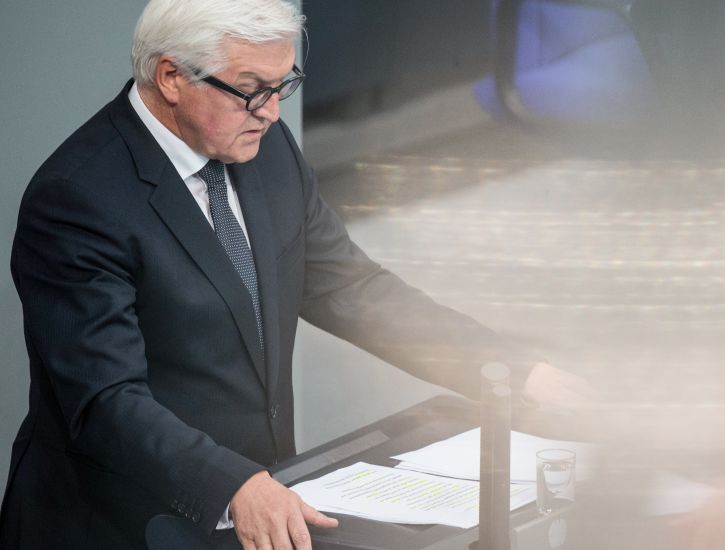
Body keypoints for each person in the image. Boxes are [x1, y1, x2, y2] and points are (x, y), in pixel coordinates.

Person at [0, 1, 593, 548]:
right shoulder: (77, 199)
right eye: (252, 91)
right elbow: (106, 400)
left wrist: (512, 373)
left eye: (284, 84)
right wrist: (231, 484)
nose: (273, 111)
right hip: (117, 522)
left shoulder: (266, 144)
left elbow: (350, 287)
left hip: (262, 503)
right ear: (171, 77)